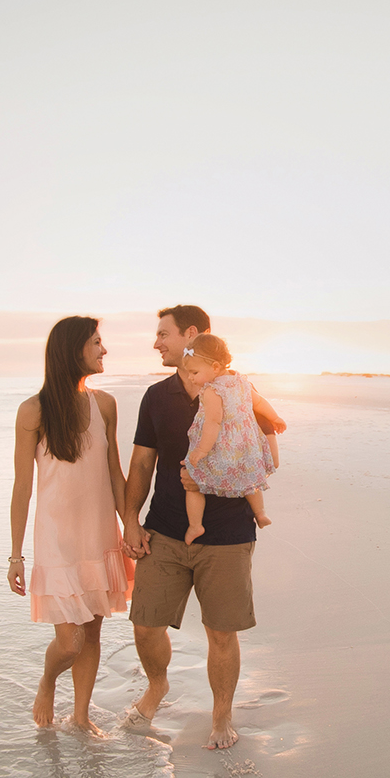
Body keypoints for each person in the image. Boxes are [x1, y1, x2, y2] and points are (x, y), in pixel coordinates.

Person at [121, 305, 285, 749]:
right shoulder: (156, 397)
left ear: (190, 335)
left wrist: (209, 476)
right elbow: (140, 463)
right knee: (145, 623)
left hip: (228, 535)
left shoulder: (236, 391)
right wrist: (130, 521)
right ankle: (157, 687)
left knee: (221, 631)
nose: (156, 343)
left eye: (163, 334)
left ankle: (221, 718)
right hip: (166, 531)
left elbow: (262, 459)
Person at [8, 316, 134, 737]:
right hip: (57, 542)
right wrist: (15, 555)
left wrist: (129, 524)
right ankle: (47, 682)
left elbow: (115, 474)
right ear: (73, 350)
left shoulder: (105, 405)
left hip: (99, 536)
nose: (104, 350)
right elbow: (23, 487)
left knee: (93, 631)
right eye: (97, 342)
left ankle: (81, 715)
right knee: (70, 642)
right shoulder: (34, 411)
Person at [179, 333, 277, 543]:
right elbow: (259, 403)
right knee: (250, 481)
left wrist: (201, 451)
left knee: (193, 479)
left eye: (194, 372)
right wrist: (275, 417)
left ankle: (195, 526)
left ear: (215, 367)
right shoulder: (242, 382)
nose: (190, 377)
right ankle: (260, 513)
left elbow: (213, 423)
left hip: (220, 449)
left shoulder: (212, 391)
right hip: (244, 448)